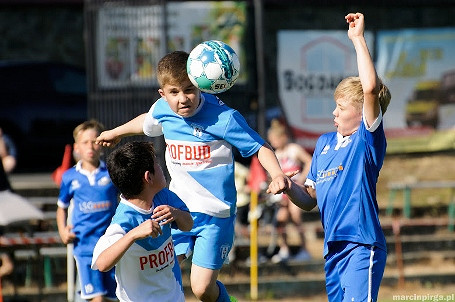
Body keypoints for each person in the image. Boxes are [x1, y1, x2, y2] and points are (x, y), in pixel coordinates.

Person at [95, 50, 290, 302]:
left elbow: (259, 147)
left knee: (201, 289)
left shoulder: (224, 118)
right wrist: (117, 132)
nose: (183, 98)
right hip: (174, 207)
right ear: (162, 94)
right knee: (162, 268)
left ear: (201, 86)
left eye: (189, 89)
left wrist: (276, 174)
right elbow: (147, 122)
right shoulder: (163, 110)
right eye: (174, 92)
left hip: (214, 214)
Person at [268, 13, 391, 302]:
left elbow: (370, 89)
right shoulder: (323, 144)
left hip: (361, 245)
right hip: (332, 249)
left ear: (362, 114)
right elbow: (310, 198)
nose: (333, 113)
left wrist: (357, 39)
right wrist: (288, 186)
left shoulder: (366, 140)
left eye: (340, 107)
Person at [91, 141, 193, 302]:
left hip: (174, 297)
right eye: (157, 164)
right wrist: (133, 235)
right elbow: (102, 264)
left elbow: (188, 225)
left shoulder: (164, 197)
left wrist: (177, 214)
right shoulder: (124, 220)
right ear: (148, 177)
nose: (161, 168)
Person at [56, 120, 119, 302]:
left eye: (94, 141)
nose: (90, 146)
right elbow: (61, 207)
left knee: (112, 297)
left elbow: (125, 200)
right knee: (96, 298)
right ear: (77, 147)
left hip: (111, 243)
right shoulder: (70, 177)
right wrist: (62, 229)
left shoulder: (111, 173)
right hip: (84, 246)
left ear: (101, 145)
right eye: (85, 142)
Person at [266, 119, 312, 263]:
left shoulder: (293, 149)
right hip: (282, 193)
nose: (272, 142)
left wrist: (301, 179)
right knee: (281, 219)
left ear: (283, 137)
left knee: (296, 216)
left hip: (295, 188)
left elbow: (310, 162)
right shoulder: (274, 154)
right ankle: (284, 249)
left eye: (274, 139)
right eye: (270, 140)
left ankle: (304, 249)